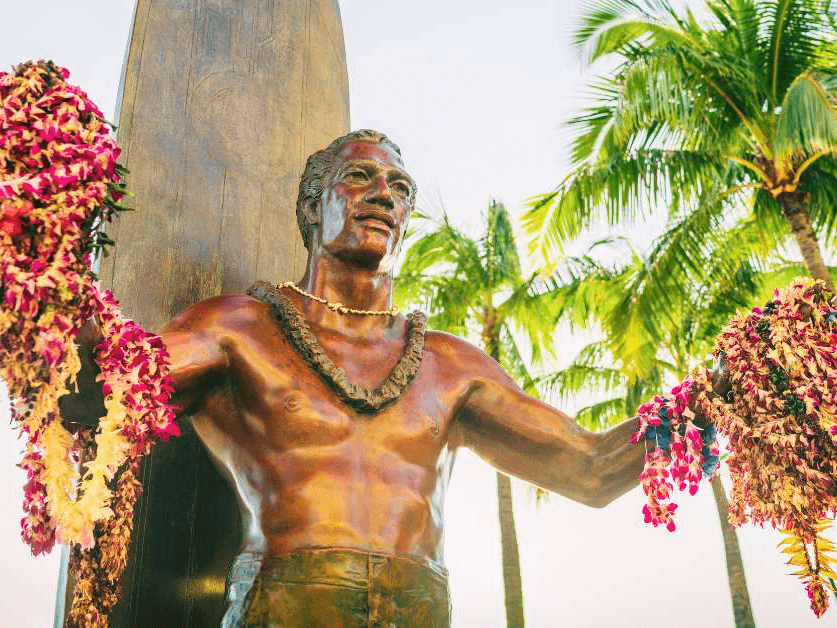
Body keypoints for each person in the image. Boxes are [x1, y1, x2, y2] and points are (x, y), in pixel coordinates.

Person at [63, 129, 656, 628]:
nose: (383, 197)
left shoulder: (450, 365)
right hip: (282, 606)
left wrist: (726, 389)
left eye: (399, 189)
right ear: (310, 206)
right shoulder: (239, 330)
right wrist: (52, 241)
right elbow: (97, 392)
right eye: (359, 178)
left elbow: (592, 467)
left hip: (420, 610)